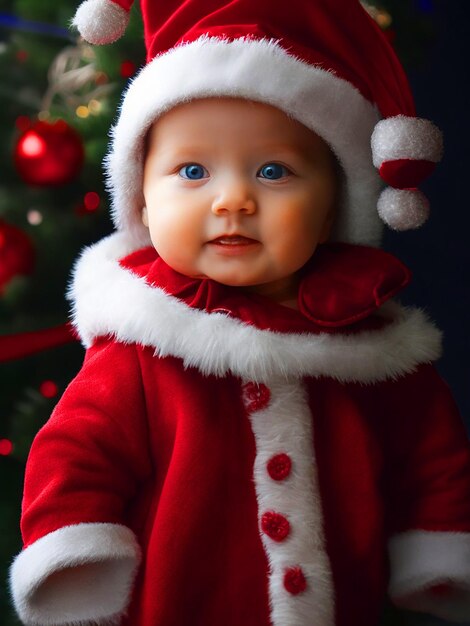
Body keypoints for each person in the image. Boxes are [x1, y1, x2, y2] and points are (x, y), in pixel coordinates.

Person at [9, 1, 470, 625]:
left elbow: (431, 454)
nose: (233, 200)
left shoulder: (372, 346)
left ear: (333, 208)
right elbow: (76, 451)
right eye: (192, 171)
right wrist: (77, 550)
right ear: (142, 200)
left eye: (274, 171)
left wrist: (439, 548)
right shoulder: (143, 346)